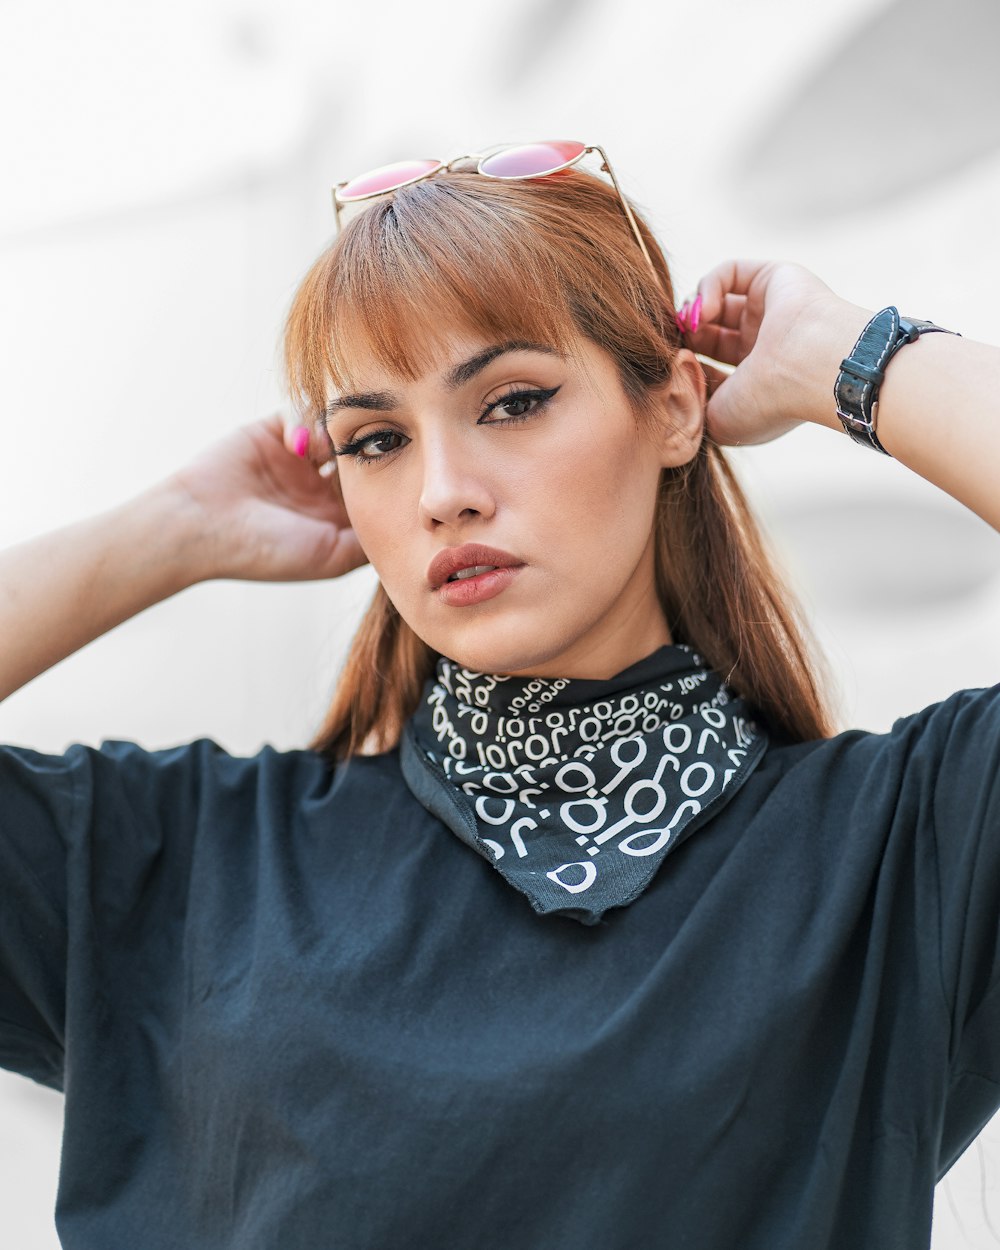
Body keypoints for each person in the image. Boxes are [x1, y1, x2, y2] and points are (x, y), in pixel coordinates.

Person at [1, 141, 998, 1250]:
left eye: (513, 401)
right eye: (374, 440)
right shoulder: (178, 869)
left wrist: (849, 357)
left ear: (672, 409)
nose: (439, 492)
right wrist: (168, 533)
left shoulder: (904, 849)